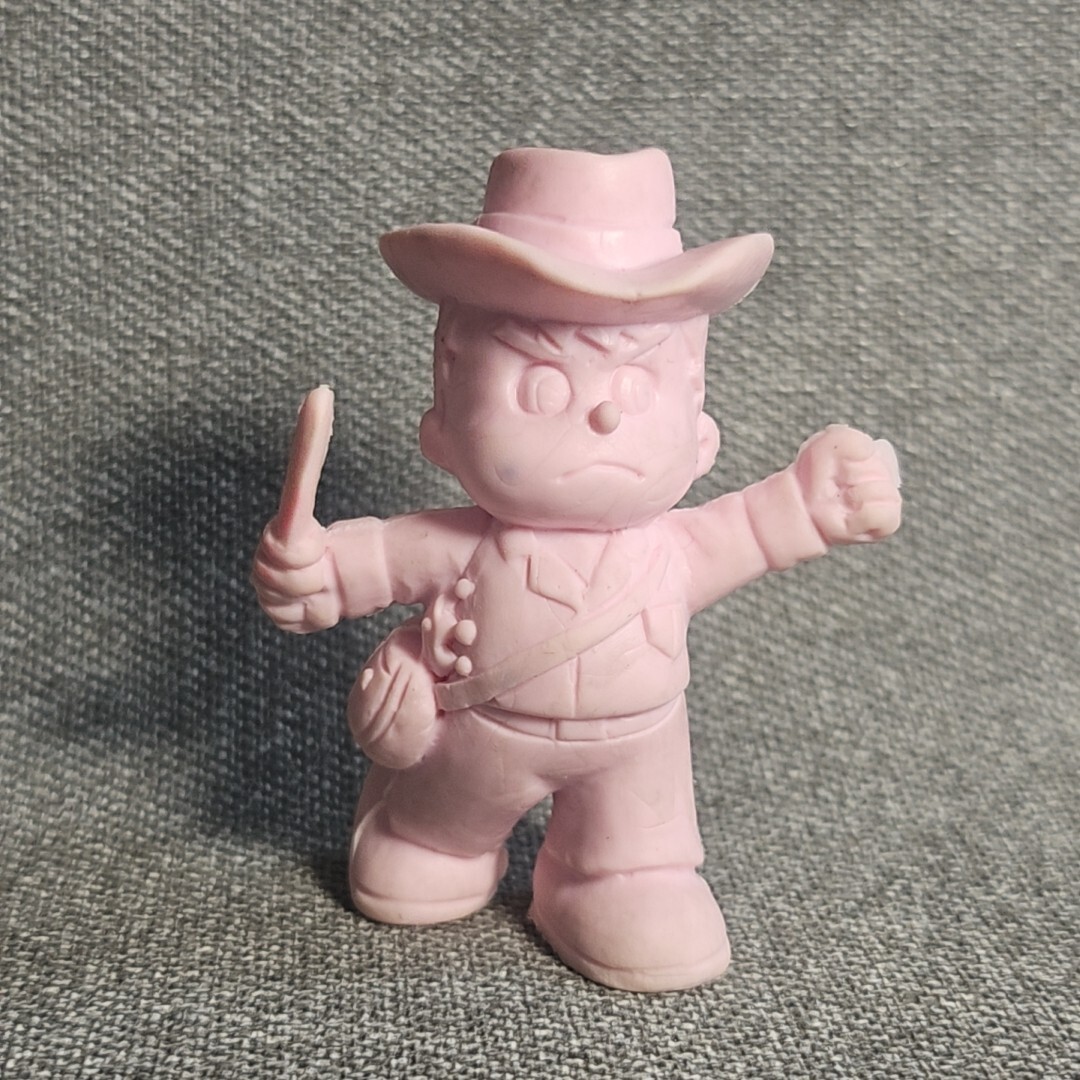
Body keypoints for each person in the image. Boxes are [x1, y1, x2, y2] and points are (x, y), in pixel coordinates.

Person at [252, 147, 902, 991]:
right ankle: (432, 838)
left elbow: (752, 527)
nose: (601, 415)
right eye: (543, 388)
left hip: (637, 748)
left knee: (640, 863)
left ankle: (620, 878)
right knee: (423, 852)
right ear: (445, 409)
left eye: (636, 387)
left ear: (700, 421)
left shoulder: (670, 547)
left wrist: (816, 501)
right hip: (481, 735)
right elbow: (364, 560)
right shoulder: (459, 545)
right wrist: (311, 575)